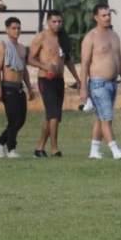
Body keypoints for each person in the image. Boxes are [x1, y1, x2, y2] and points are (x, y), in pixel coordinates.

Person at [79, 3, 121, 159]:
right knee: (106, 118)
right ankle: (115, 150)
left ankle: (94, 151)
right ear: (96, 17)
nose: (107, 17)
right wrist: (83, 88)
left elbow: (120, 61)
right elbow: (84, 64)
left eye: (109, 14)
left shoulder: (114, 35)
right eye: (103, 15)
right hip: (98, 84)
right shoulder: (90, 37)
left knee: (101, 117)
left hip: (112, 83)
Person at [27, 10, 80, 158]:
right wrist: (45, 67)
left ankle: (39, 148)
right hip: (46, 80)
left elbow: (67, 59)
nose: (57, 25)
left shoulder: (63, 38)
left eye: (59, 22)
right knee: (54, 115)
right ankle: (54, 148)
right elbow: (30, 59)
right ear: (48, 22)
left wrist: (78, 78)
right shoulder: (41, 37)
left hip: (59, 80)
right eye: (54, 22)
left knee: (51, 116)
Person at [0, 16, 34, 158]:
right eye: (13, 28)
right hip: (7, 86)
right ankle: (11, 149)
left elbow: (24, 70)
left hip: (19, 87)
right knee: (14, 120)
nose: (17, 31)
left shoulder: (22, 48)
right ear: (7, 30)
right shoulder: (2, 45)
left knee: (21, 120)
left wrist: (29, 87)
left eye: (19, 28)